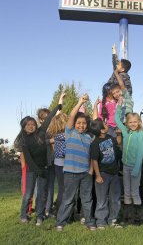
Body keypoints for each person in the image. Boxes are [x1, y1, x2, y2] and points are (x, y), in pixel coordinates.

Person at [14, 92, 65, 226]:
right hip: (32, 170)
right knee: (28, 193)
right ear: (24, 127)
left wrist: (59, 103)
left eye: (33, 124)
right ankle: (24, 215)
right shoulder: (24, 140)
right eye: (28, 125)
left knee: (42, 194)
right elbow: (29, 159)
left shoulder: (41, 133)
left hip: (44, 169)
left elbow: (51, 116)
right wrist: (37, 170)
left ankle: (40, 216)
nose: (31, 126)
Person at [56, 94, 96, 231]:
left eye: (84, 123)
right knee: (68, 199)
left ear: (87, 125)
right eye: (79, 123)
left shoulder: (90, 138)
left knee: (87, 199)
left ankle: (89, 221)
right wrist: (80, 102)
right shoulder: (70, 133)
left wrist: (91, 169)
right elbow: (72, 116)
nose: (81, 125)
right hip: (70, 173)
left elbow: (92, 155)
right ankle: (61, 222)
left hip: (85, 173)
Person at [114, 96, 143, 226]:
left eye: (135, 122)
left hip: (135, 168)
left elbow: (141, 153)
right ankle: (128, 217)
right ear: (127, 123)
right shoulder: (126, 132)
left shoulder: (141, 134)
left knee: (134, 192)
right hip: (125, 166)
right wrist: (119, 105)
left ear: (139, 122)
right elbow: (116, 119)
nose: (133, 124)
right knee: (126, 191)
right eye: (130, 122)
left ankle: (138, 219)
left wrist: (137, 168)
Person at [89, 116, 122, 229]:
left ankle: (113, 220)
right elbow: (94, 160)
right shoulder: (94, 144)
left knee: (115, 198)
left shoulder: (109, 137)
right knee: (102, 199)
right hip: (103, 174)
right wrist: (97, 176)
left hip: (114, 174)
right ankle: (101, 221)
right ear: (102, 130)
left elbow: (118, 142)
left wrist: (118, 134)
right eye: (105, 124)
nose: (107, 124)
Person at [47, 112, 68, 213]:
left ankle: (60, 209)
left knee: (62, 188)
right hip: (64, 163)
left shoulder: (56, 136)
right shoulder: (64, 135)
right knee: (64, 188)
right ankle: (61, 210)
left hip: (59, 163)